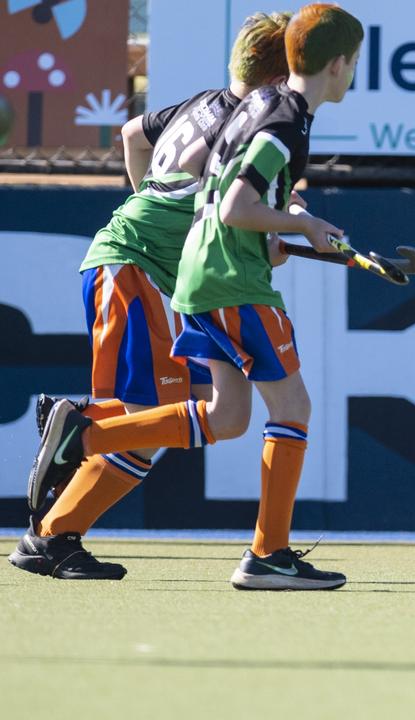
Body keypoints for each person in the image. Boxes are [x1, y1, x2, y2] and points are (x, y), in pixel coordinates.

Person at [21, 3, 363, 591]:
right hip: (138, 268)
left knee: (209, 418)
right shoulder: (264, 117)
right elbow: (234, 204)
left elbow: (135, 135)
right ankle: (80, 436)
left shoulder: (212, 104)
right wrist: (284, 228)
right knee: (150, 421)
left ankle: (54, 530)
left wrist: (168, 209)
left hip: (166, 271)